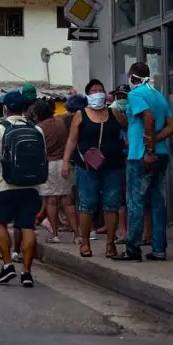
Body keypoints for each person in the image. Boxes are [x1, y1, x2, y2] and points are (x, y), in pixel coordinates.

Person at [113, 62, 173, 263]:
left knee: (135, 202)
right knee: (157, 203)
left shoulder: (136, 94)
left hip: (140, 156)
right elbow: (171, 126)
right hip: (162, 154)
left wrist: (149, 149)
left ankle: (133, 249)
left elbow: (147, 116)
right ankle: (158, 249)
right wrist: (156, 141)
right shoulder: (158, 95)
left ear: (132, 77)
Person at [0, 91, 45, 287]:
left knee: (0, 222)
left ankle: (7, 265)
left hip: (6, 184)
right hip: (31, 185)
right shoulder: (37, 129)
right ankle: (27, 272)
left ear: (5, 108)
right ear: (24, 108)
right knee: (27, 226)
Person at [63, 79, 126, 258]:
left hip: (113, 166)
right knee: (87, 205)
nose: (97, 92)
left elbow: (128, 129)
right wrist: (65, 161)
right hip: (87, 167)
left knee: (111, 205)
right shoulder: (81, 115)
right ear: (88, 95)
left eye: (100, 89)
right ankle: (85, 242)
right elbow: (72, 140)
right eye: (93, 90)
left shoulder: (114, 113)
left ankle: (110, 244)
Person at [32, 98, 78, 244]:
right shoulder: (61, 122)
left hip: (49, 165)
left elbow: (38, 150)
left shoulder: (38, 128)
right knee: (68, 201)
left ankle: (55, 234)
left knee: (51, 201)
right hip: (65, 163)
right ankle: (77, 234)